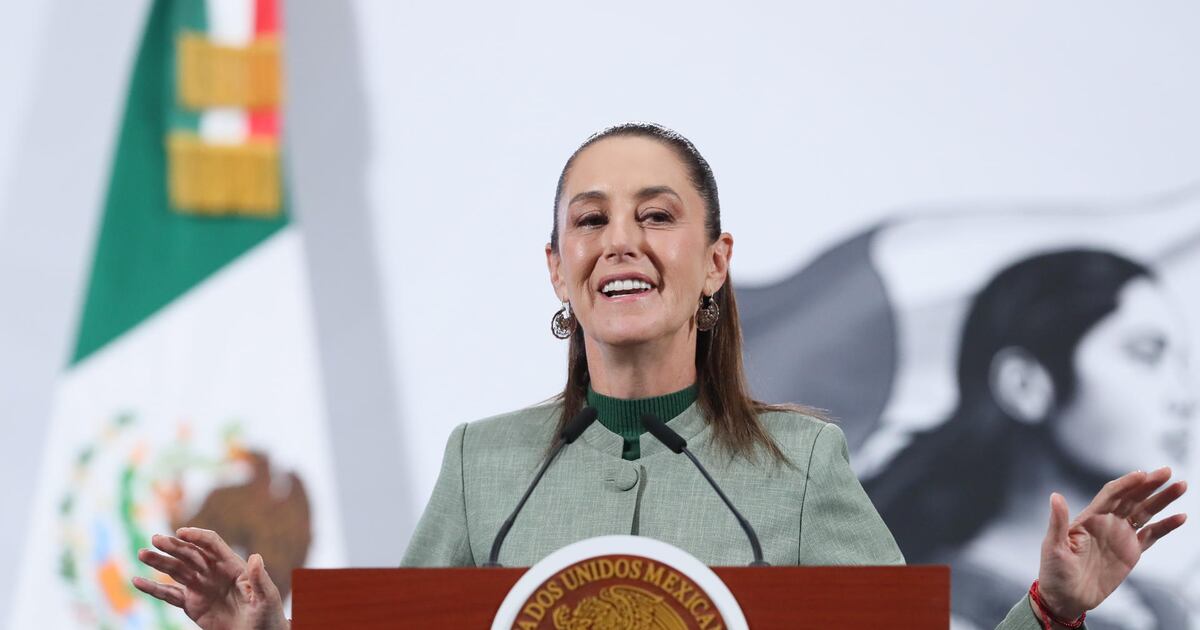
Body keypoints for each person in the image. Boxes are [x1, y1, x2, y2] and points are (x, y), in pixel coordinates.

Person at [132, 123, 1188, 629]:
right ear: (557, 265)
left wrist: (1051, 609)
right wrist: (265, 629)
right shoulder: (481, 463)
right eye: (589, 218)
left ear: (716, 261)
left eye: (657, 215)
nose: (620, 239)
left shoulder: (805, 462)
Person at [865, 250, 1197, 628]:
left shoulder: (1166, 608)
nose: (1185, 397)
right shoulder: (923, 608)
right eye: (1145, 355)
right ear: (1025, 385)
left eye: (1182, 363)